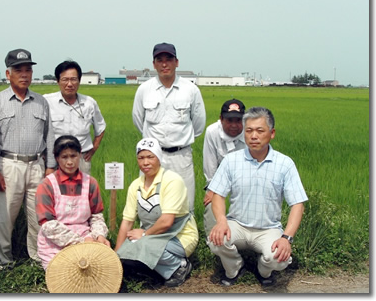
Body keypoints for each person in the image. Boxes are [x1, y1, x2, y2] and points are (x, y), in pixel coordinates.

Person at [207, 107, 308, 287]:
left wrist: (287, 238)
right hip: (236, 224)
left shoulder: (285, 164)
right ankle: (235, 268)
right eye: (249, 131)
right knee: (216, 240)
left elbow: (297, 204)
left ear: (272, 133)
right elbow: (218, 195)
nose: (254, 136)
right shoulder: (232, 160)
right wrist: (221, 221)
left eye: (260, 131)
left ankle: (263, 270)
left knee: (280, 259)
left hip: (268, 228)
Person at [0, 48, 56, 269]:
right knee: (5, 217)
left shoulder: (41, 102)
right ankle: (5, 260)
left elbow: (50, 135)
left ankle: (36, 258)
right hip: (9, 165)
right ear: (8, 74)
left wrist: (50, 166)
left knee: (38, 216)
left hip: (37, 165)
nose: (24, 75)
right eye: (18, 70)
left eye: (28, 70)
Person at [115, 138, 199, 288]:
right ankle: (157, 269)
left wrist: (144, 235)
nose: (145, 162)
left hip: (179, 236)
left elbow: (167, 221)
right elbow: (127, 222)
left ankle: (180, 266)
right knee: (126, 251)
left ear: (159, 158)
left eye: (150, 157)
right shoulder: (136, 185)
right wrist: (116, 256)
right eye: (141, 158)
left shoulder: (172, 180)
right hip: (153, 235)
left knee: (143, 245)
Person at [132, 42, 206, 212]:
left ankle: (185, 236)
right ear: (154, 64)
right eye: (160, 60)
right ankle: (150, 234)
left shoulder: (190, 90)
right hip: (151, 156)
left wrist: (181, 140)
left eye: (169, 59)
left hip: (181, 155)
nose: (164, 64)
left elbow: (199, 123)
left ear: (176, 62)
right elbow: (138, 120)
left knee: (184, 203)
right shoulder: (144, 90)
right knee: (150, 201)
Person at [35, 135, 110, 270]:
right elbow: (48, 225)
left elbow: (96, 216)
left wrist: (98, 235)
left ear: (80, 155)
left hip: (87, 237)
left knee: (98, 271)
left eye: (73, 156)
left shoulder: (91, 183)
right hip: (55, 243)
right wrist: (80, 242)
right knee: (67, 275)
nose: (69, 162)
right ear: (57, 158)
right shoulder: (47, 185)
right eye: (64, 157)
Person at [44, 60, 106, 174]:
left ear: (79, 80)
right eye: (65, 79)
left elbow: (101, 128)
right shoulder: (47, 102)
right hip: (55, 159)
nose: (69, 84)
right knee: (54, 191)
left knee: (82, 191)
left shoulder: (89, 103)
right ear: (58, 81)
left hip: (81, 159)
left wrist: (93, 149)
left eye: (73, 79)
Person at [202, 99, 246, 234]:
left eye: (238, 121)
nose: (234, 125)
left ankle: (243, 238)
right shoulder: (212, 132)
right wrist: (212, 188)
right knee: (211, 202)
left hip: (245, 178)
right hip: (219, 180)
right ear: (221, 119)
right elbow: (210, 164)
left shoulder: (251, 133)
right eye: (229, 120)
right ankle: (213, 239)